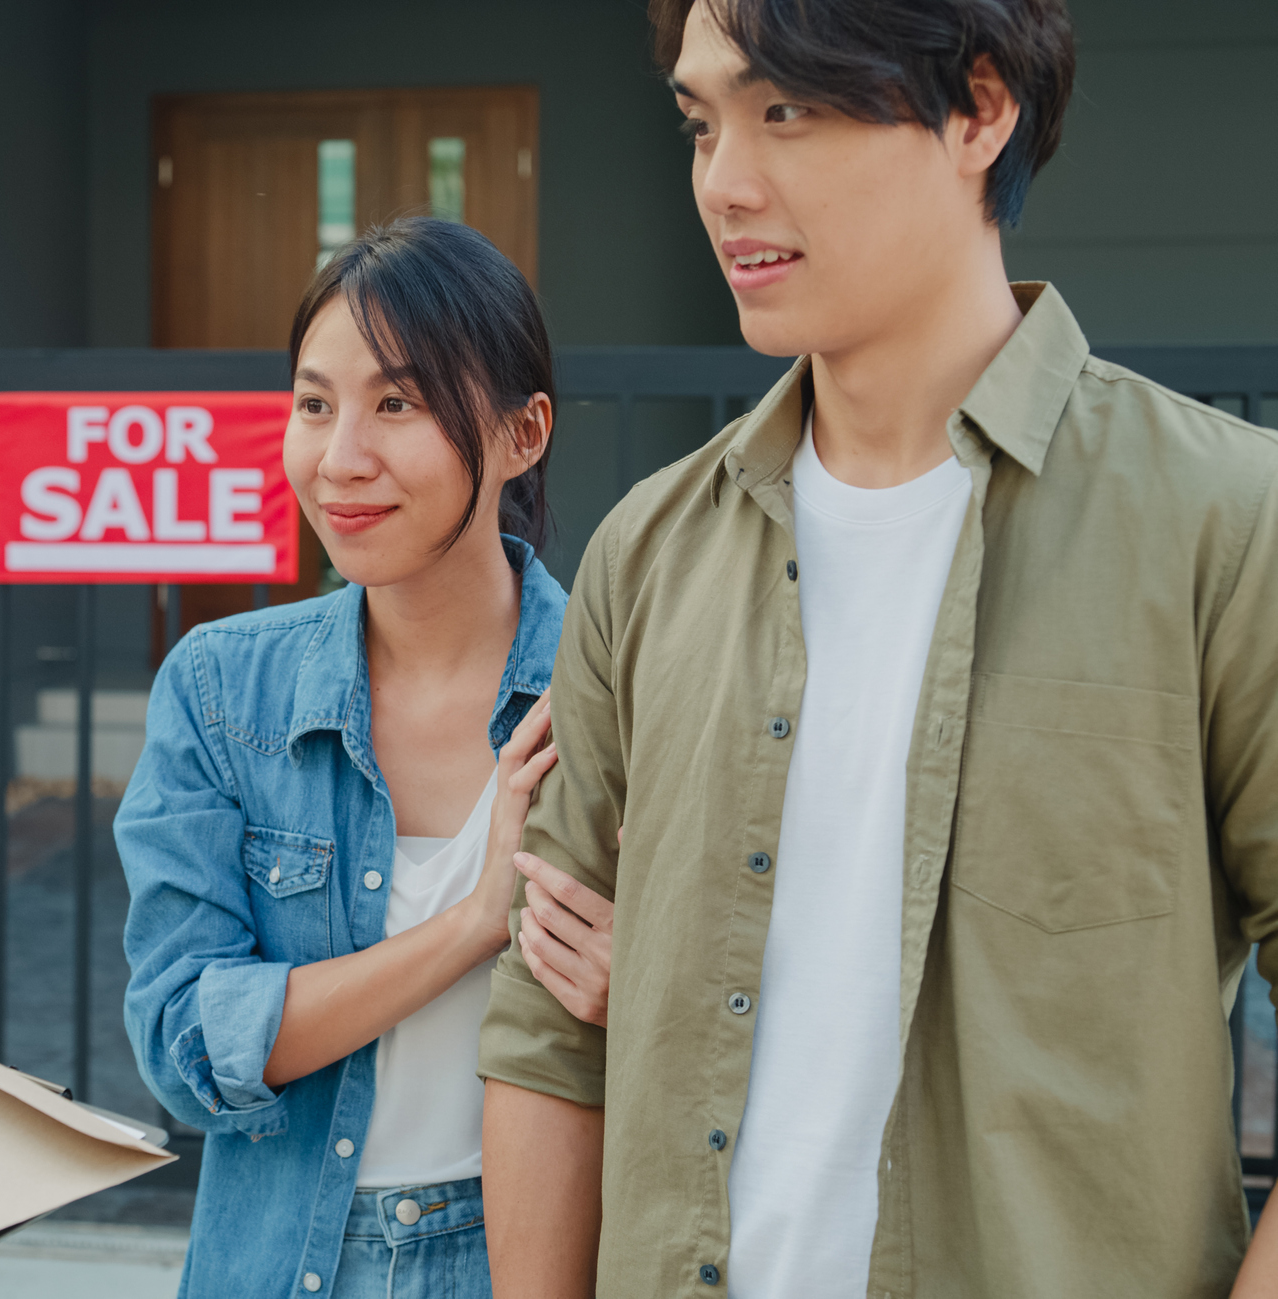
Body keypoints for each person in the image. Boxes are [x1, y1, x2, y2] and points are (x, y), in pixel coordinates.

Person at [478, 0, 1278, 1295]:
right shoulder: (650, 551)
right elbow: (542, 1031)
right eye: (699, 121)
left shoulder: (1227, 528)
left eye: (783, 109)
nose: (725, 182)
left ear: (979, 107)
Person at [117, 216, 592, 1299]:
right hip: (284, 1264)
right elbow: (183, 1042)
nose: (339, 460)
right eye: (313, 404)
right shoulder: (220, 689)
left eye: (397, 403)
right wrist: (470, 925)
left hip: (528, 1255)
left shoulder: (613, 688)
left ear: (523, 434)